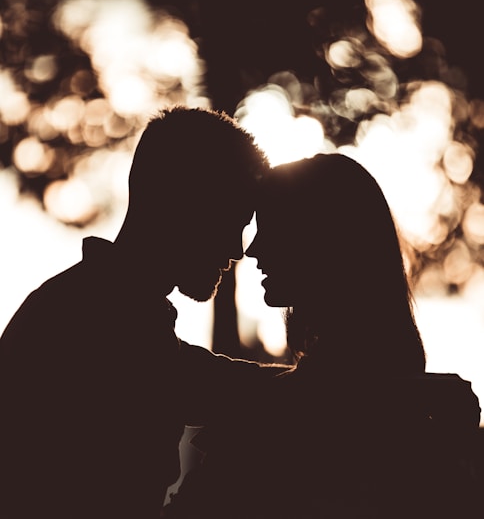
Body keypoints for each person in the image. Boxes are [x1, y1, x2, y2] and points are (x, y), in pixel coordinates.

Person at [0, 105, 287, 519]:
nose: (237, 250)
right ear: (182, 202)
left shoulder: (100, 310)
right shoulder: (97, 324)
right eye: (231, 220)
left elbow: (209, 380)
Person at [163, 152, 481, 519]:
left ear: (320, 240)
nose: (251, 250)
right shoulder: (406, 411)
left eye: (270, 227)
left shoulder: (278, 426)